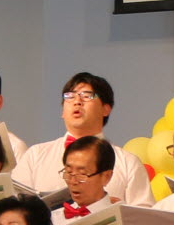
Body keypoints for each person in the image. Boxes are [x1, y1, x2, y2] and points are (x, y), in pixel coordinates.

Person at [13, 72, 142, 205]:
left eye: (87, 96)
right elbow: (13, 205)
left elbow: (143, 214)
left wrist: (116, 208)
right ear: (62, 111)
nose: (77, 102)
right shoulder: (35, 155)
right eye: (70, 97)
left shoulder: (128, 162)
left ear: (106, 109)